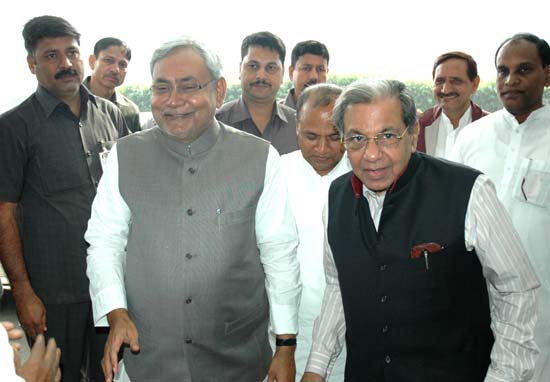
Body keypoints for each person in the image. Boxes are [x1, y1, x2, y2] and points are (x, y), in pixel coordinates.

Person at [85, 36, 301, 382]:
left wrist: (286, 344)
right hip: (148, 357)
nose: (173, 101)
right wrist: (115, 312)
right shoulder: (125, 157)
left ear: (218, 91)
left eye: (188, 87)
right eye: (161, 88)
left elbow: (280, 253)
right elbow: (104, 242)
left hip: (237, 357)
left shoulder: (259, 158)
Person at [302, 79, 540, 382]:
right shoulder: (336, 198)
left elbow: (517, 290)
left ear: (413, 134)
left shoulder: (468, 192)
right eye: (357, 138)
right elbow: (338, 285)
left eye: (387, 136)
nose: (371, 154)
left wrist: (503, 378)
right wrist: (316, 366)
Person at [0, 15, 129, 382]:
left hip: (111, 285)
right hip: (53, 294)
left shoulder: (111, 115)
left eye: (71, 52)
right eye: (52, 56)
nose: (66, 64)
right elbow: (3, 212)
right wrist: (23, 293)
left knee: (112, 373)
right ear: (32, 64)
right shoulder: (13, 127)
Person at [451, 32, 550, 381]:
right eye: (503, 71)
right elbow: (452, 216)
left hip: (543, 306)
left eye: (524, 70)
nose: (511, 80)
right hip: (475, 301)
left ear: (548, 74)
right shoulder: (471, 137)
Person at [280, 83, 349, 381]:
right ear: (296, 128)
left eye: (335, 137)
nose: (322, 149)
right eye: (311, 136)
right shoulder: (274, 173)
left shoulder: (368, 175)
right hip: (284, 332)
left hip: (351, 332)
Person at [216, 31, 298, 154]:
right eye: (253, 66)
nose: (261, 76)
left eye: (270, 67)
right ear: (240, 69)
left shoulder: (299, 126)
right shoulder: (215, 123)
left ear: (282, 74)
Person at [417, 51, 488, 158]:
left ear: (475, 84)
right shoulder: (417, 126)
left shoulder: (490, 127)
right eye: (440, 81)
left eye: (456, 81)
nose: (446, 89)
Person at [84, 37, 141, 133]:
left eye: (122, 65)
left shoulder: (130, 111)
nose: (115, 69)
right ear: (92, 61)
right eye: (108, 61)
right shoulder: (68, 100)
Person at [281, 41, 330, 109]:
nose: (314, 76)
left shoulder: (338, 115)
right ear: (291, 73)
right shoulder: (274, 116)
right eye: (306, 68)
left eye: (320, 69)